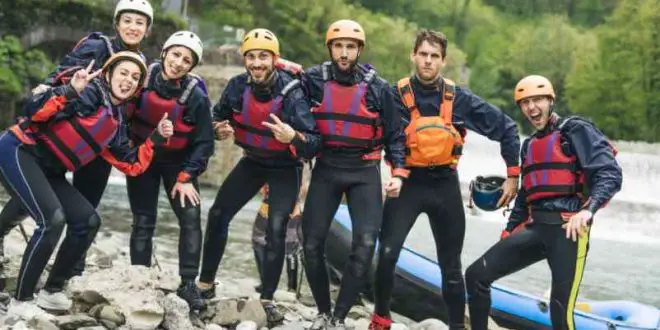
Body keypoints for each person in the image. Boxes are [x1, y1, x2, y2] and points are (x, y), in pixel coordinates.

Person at [368, 29, 521, 330]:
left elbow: (508, 128)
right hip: (406, 184)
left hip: (445, 187)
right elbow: (371, 132)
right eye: (422, 54)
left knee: (451, 268)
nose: (427, 61)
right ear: (413, 55)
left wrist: (513, 176)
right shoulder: (393, 95)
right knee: (386, 254)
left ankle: (455, 326)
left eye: (434, 56)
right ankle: (380, 318)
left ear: (443, 61)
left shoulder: (459, 99)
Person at [0, 51, 172, 318]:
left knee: (87, 220)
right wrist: (69, 90)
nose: (128, 80)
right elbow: (32, 111)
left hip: (49, 172)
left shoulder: (116, 124)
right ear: (109, 73)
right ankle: (21, 301)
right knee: (52, 220)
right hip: (18, 150)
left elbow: (131, 164)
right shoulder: (88, 92)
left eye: (135, 78)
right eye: (123, 73)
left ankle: (52, 290)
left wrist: (157, 138)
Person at [0, 0, 154, 272]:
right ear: (117, 24)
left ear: (147, 30)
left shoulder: (143, 65)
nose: (133, 27)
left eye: (139, 23)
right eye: (127, 20)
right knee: (42, 193)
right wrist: (46, 90)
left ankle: (73, 265)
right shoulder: (97, 47)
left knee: (85, 206)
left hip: (104, 139)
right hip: (73, 128)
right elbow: (63, 73)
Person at [464, 75, 622, 330]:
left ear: (550, 101)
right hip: (535, 228)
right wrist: (509, 231)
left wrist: (587, 211)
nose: (531, 108)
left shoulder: (575, 130)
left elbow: (610, 173)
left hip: (568, 230)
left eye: (537, 100)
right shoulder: (529, 146)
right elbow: (526, 196)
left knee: (560, 313)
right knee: (476, 276)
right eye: (525, 103)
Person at [197, 28, 320, 324]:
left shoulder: (292, 93)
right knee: (217, 214)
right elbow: (216, 116)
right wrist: (217, 129)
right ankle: (205, 284)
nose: (257, 63)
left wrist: (292, 136)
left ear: (274, 59)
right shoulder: (238, 86)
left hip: (284, 168)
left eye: (263, 56)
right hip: (252, 162)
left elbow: (314, 141)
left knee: (276, 229)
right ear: (245, 60)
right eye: (251, 57)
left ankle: (267, 298)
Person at [301, 19, 407, 330]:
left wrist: (397, 173)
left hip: (364, 171)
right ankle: (323, 312)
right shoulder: (313, 80)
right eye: (339, 46)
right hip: (327, 168)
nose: (344, 53)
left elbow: (395, 136)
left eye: (350, 47)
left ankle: (339, 317)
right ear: (330, 49)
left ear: (359, 50)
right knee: (310, 245)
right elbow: (288, 102)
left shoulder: (378, 88)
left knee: (364, 245)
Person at [125, 31, 213, 311]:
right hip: (143, 156)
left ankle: (189, 283)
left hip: (178, 163)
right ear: (164, 53)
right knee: (143, 219)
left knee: (190, 218)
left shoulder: (196, 95)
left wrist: (187, 177)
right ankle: (139, 277)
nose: (178, 63)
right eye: (175, 54)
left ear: (191, 66)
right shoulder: (140, 78)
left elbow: (204, 143)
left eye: (187, 60)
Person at [252, 165, 309, 294]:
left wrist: (298, 202)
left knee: (290, 247)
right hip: (269, 203)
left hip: (291, 205)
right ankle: (268, 284)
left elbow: (304, 184)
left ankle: (291, 288)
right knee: (258, 241)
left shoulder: (296, 156)